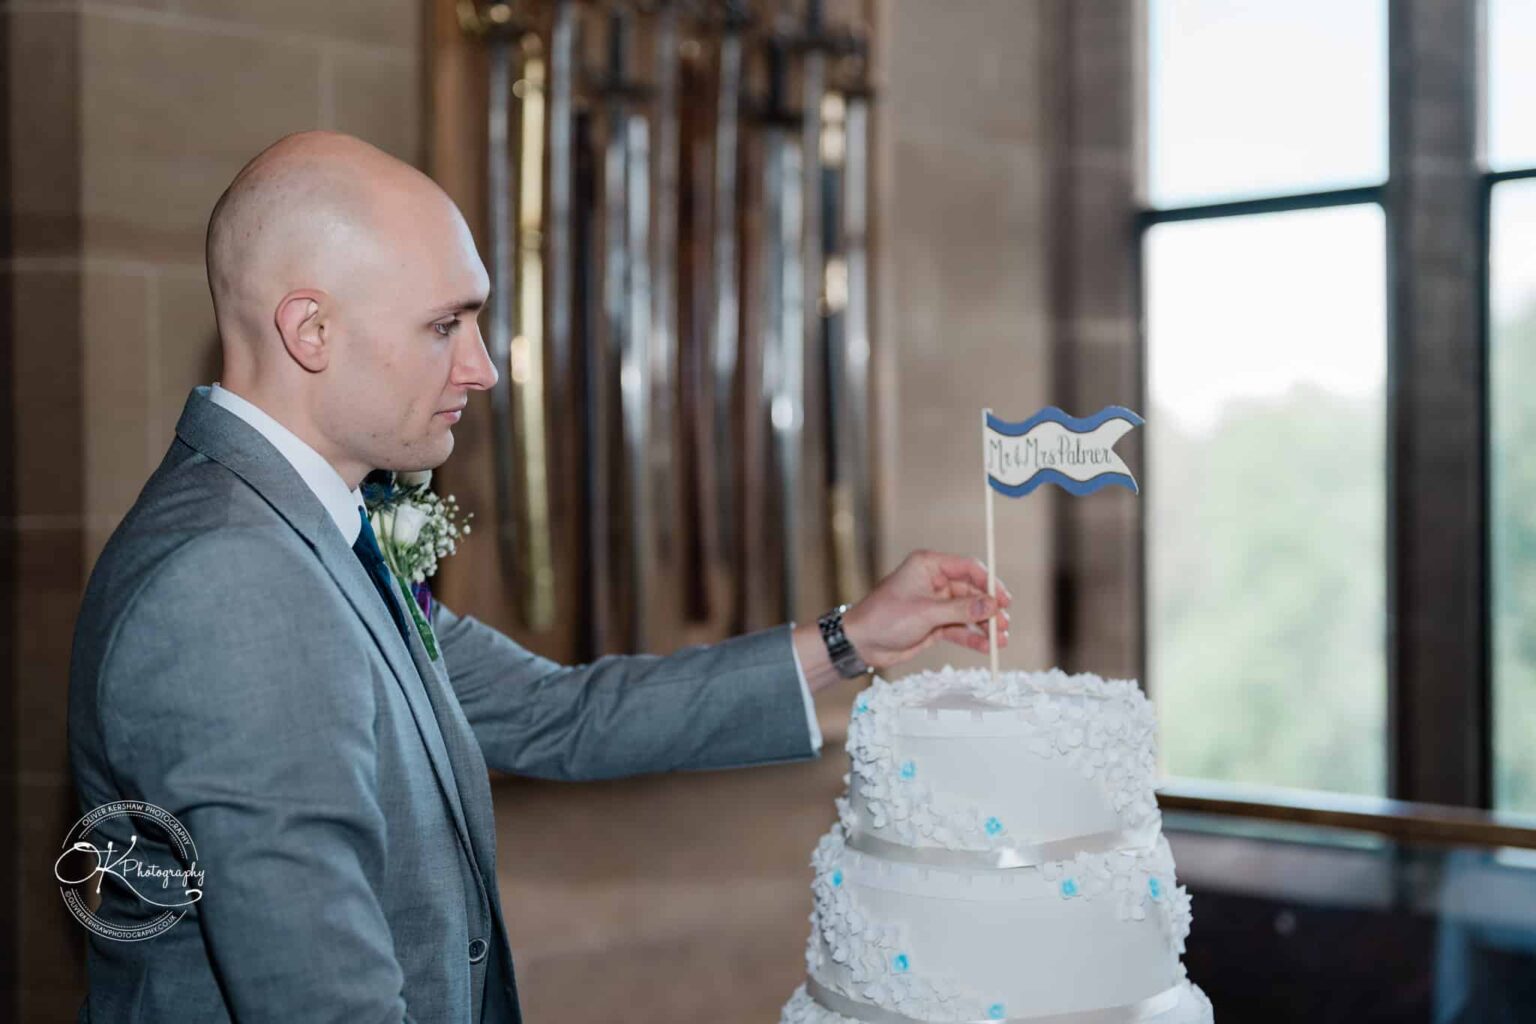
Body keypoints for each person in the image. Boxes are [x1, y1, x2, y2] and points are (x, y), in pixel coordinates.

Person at [66, 131, 1012, 1023]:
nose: (481, 369)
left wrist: (851, 638)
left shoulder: (310, 531)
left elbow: (559, 714)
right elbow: (321, 996)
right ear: (310, 329)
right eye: (446, 325)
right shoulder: (233, 579)